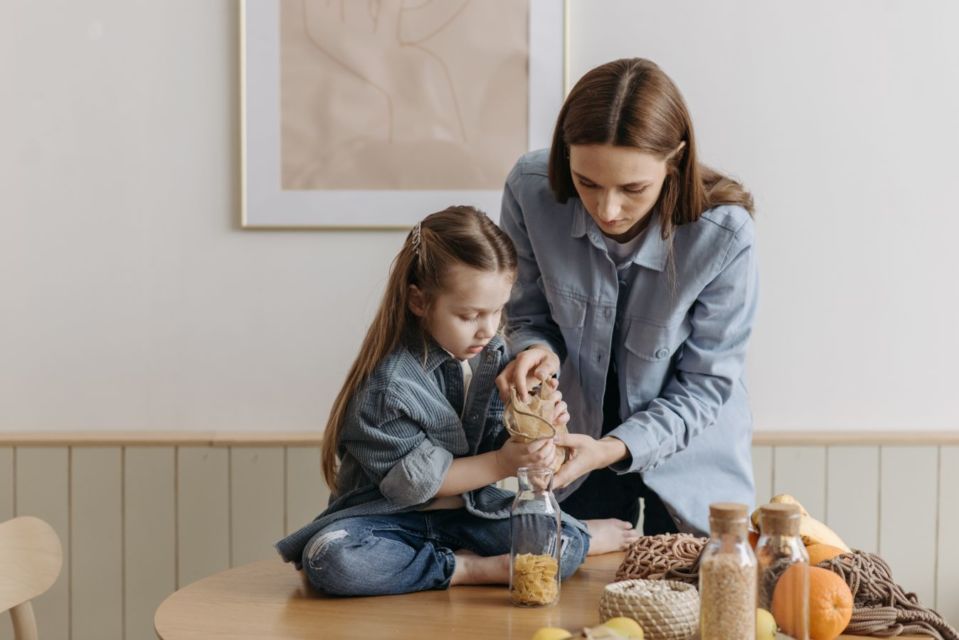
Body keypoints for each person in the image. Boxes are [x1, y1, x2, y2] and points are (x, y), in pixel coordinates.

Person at [496, 58, 758, 538]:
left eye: (633, 188)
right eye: (587, 183)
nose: (607, 209)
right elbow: (526, 315)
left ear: (674, 161)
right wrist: (536, 352)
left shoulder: (723, 234)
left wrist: (613, 448)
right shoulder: (530, 191)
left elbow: (705, 385)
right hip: (571, 451)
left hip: (689, 462)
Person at [275, 206, 596, 596]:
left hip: (469, 514)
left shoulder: (498, 357)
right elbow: (416, 488)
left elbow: (527, 463)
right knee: (331, 560)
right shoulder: (387, 386)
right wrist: (503, 462)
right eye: (468, 315)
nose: (488, 329)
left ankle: (433, 560)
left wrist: (544, 429)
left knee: (567, 544)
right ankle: (463, 568)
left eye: (497, 311)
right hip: (388, 520)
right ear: (419, 301)